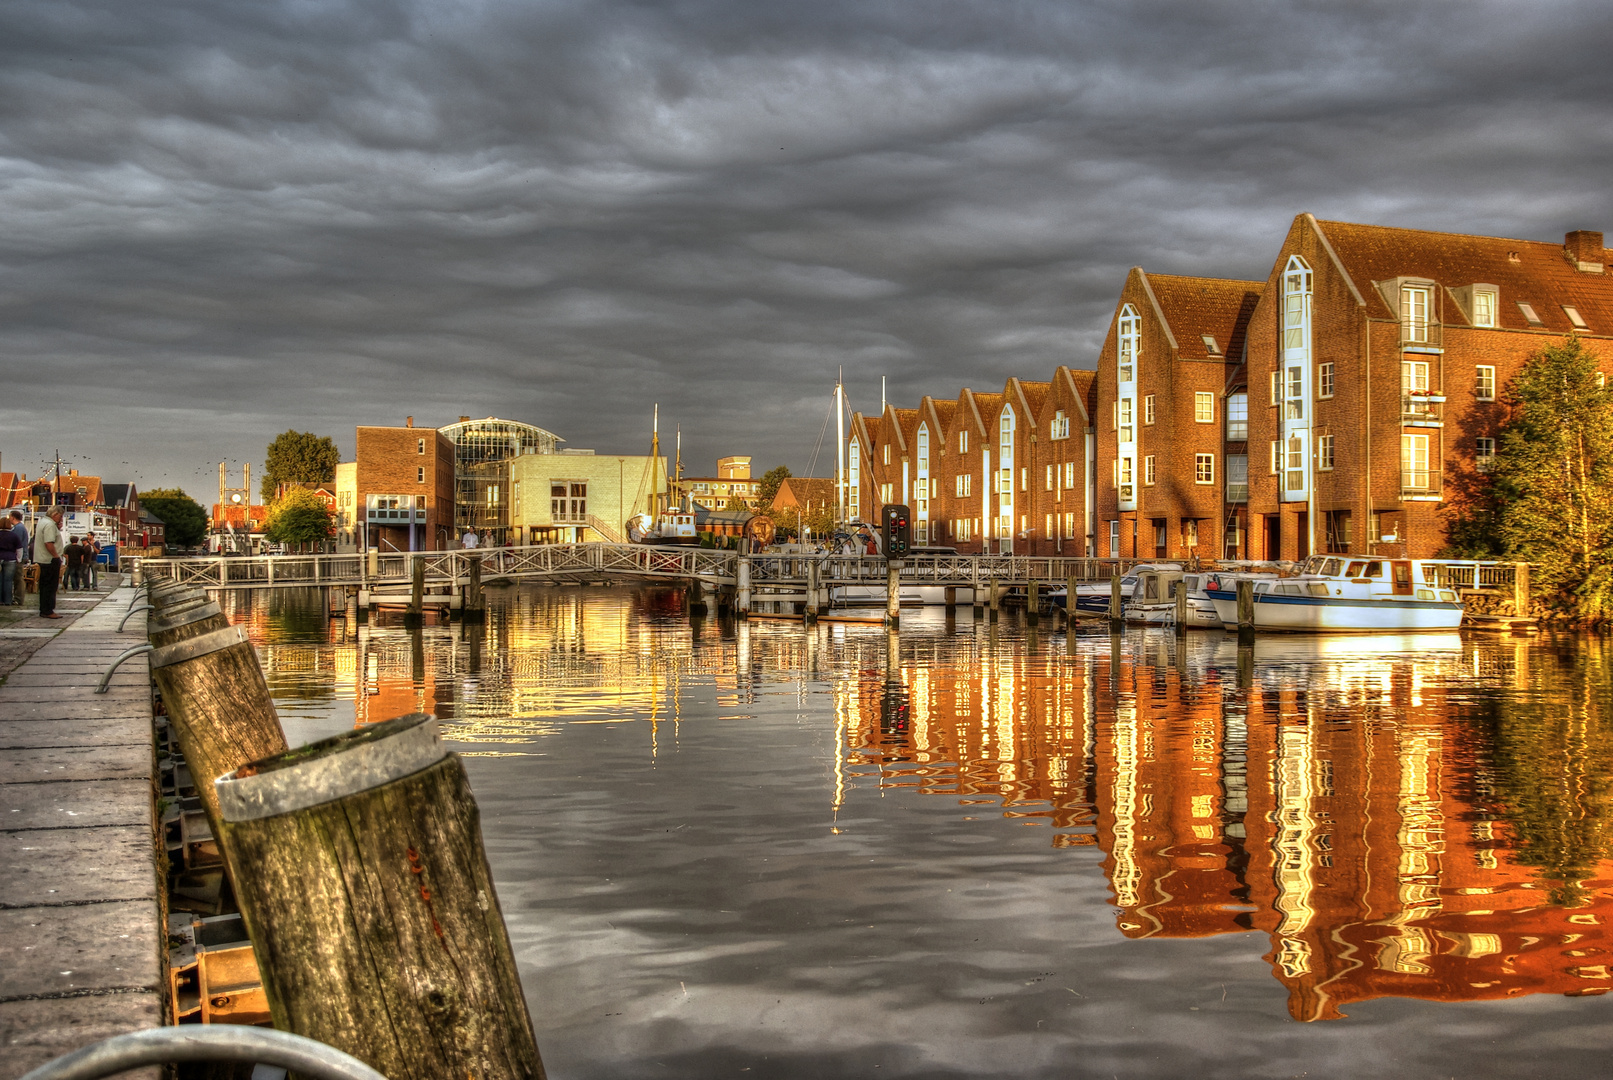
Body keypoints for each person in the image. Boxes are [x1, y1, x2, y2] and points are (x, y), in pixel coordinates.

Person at [34, 506, 63, 619]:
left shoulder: (43, 522)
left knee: (44, 586)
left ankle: (44, 609)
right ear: (55, 514)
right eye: (60, 516)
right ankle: (48, 610)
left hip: (42, 559)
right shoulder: (50, 525)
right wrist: (56, 556)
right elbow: (49, 543)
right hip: (50, 560)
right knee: (50, 586)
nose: (60, 519)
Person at [8, 511, 26, 606]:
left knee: (18, 578)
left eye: (10, 517)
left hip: (18, 557)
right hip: (18, 557)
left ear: (13, 517)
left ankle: (18, 598)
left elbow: (16, 544)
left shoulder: (18, 528)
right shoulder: (19, 527)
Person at [0, 522, 18, 606]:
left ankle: (0, 600)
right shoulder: (13, 535)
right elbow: (19, 548)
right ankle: (8, 600)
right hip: (10, 558)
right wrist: (18, 559)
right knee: (8, 580)